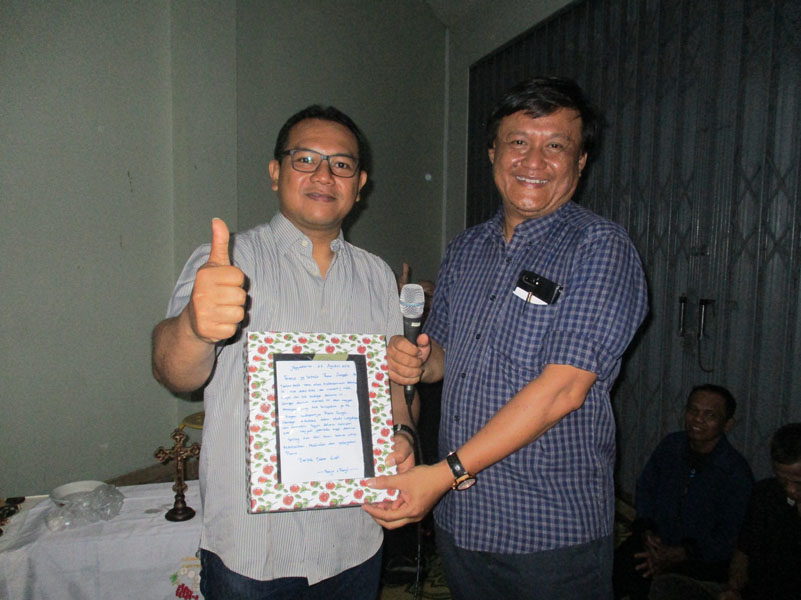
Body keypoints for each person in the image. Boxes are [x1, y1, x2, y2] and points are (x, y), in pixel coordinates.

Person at [364, 76, 649, 599]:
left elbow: (563, 390)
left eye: (556, 146)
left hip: (549, 533)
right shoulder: (465, 249)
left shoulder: (599, 247)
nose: (533, 161)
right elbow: (442, 358)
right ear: (494, 152)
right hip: (463, 522)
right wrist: (415, 358)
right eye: (518, 141)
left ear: (581, 161)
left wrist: (442, 474)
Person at [151, 105, 415, 599]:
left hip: (354, 538)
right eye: (305, 159)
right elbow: (174, 372)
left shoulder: (377, 275)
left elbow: (392, 391)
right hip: (253, 553)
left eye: (341, 164)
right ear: (276, 172)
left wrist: (402, 435)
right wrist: (194, 327)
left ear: (359, 184)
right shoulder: (230, 261)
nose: (324, 175)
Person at [613, 385, 753, 599]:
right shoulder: (671, 446)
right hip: (656, 543)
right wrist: (647, 530)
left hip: (701, 557)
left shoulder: (734, 471)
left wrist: (681, 553)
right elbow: (646, 488)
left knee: (668, 585)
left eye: (710, 415)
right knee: (621, 567)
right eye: (693, 411)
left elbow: (732, 535)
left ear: (727, 424)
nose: (698, 420)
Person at [647, 422, 801, 600]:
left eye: (798, 483)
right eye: (783, 481)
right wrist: (733, 587)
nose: (790, 490)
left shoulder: (734, 468)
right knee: (667, 586)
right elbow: (743, 551)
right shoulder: (765, 495)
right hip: (750, 593)